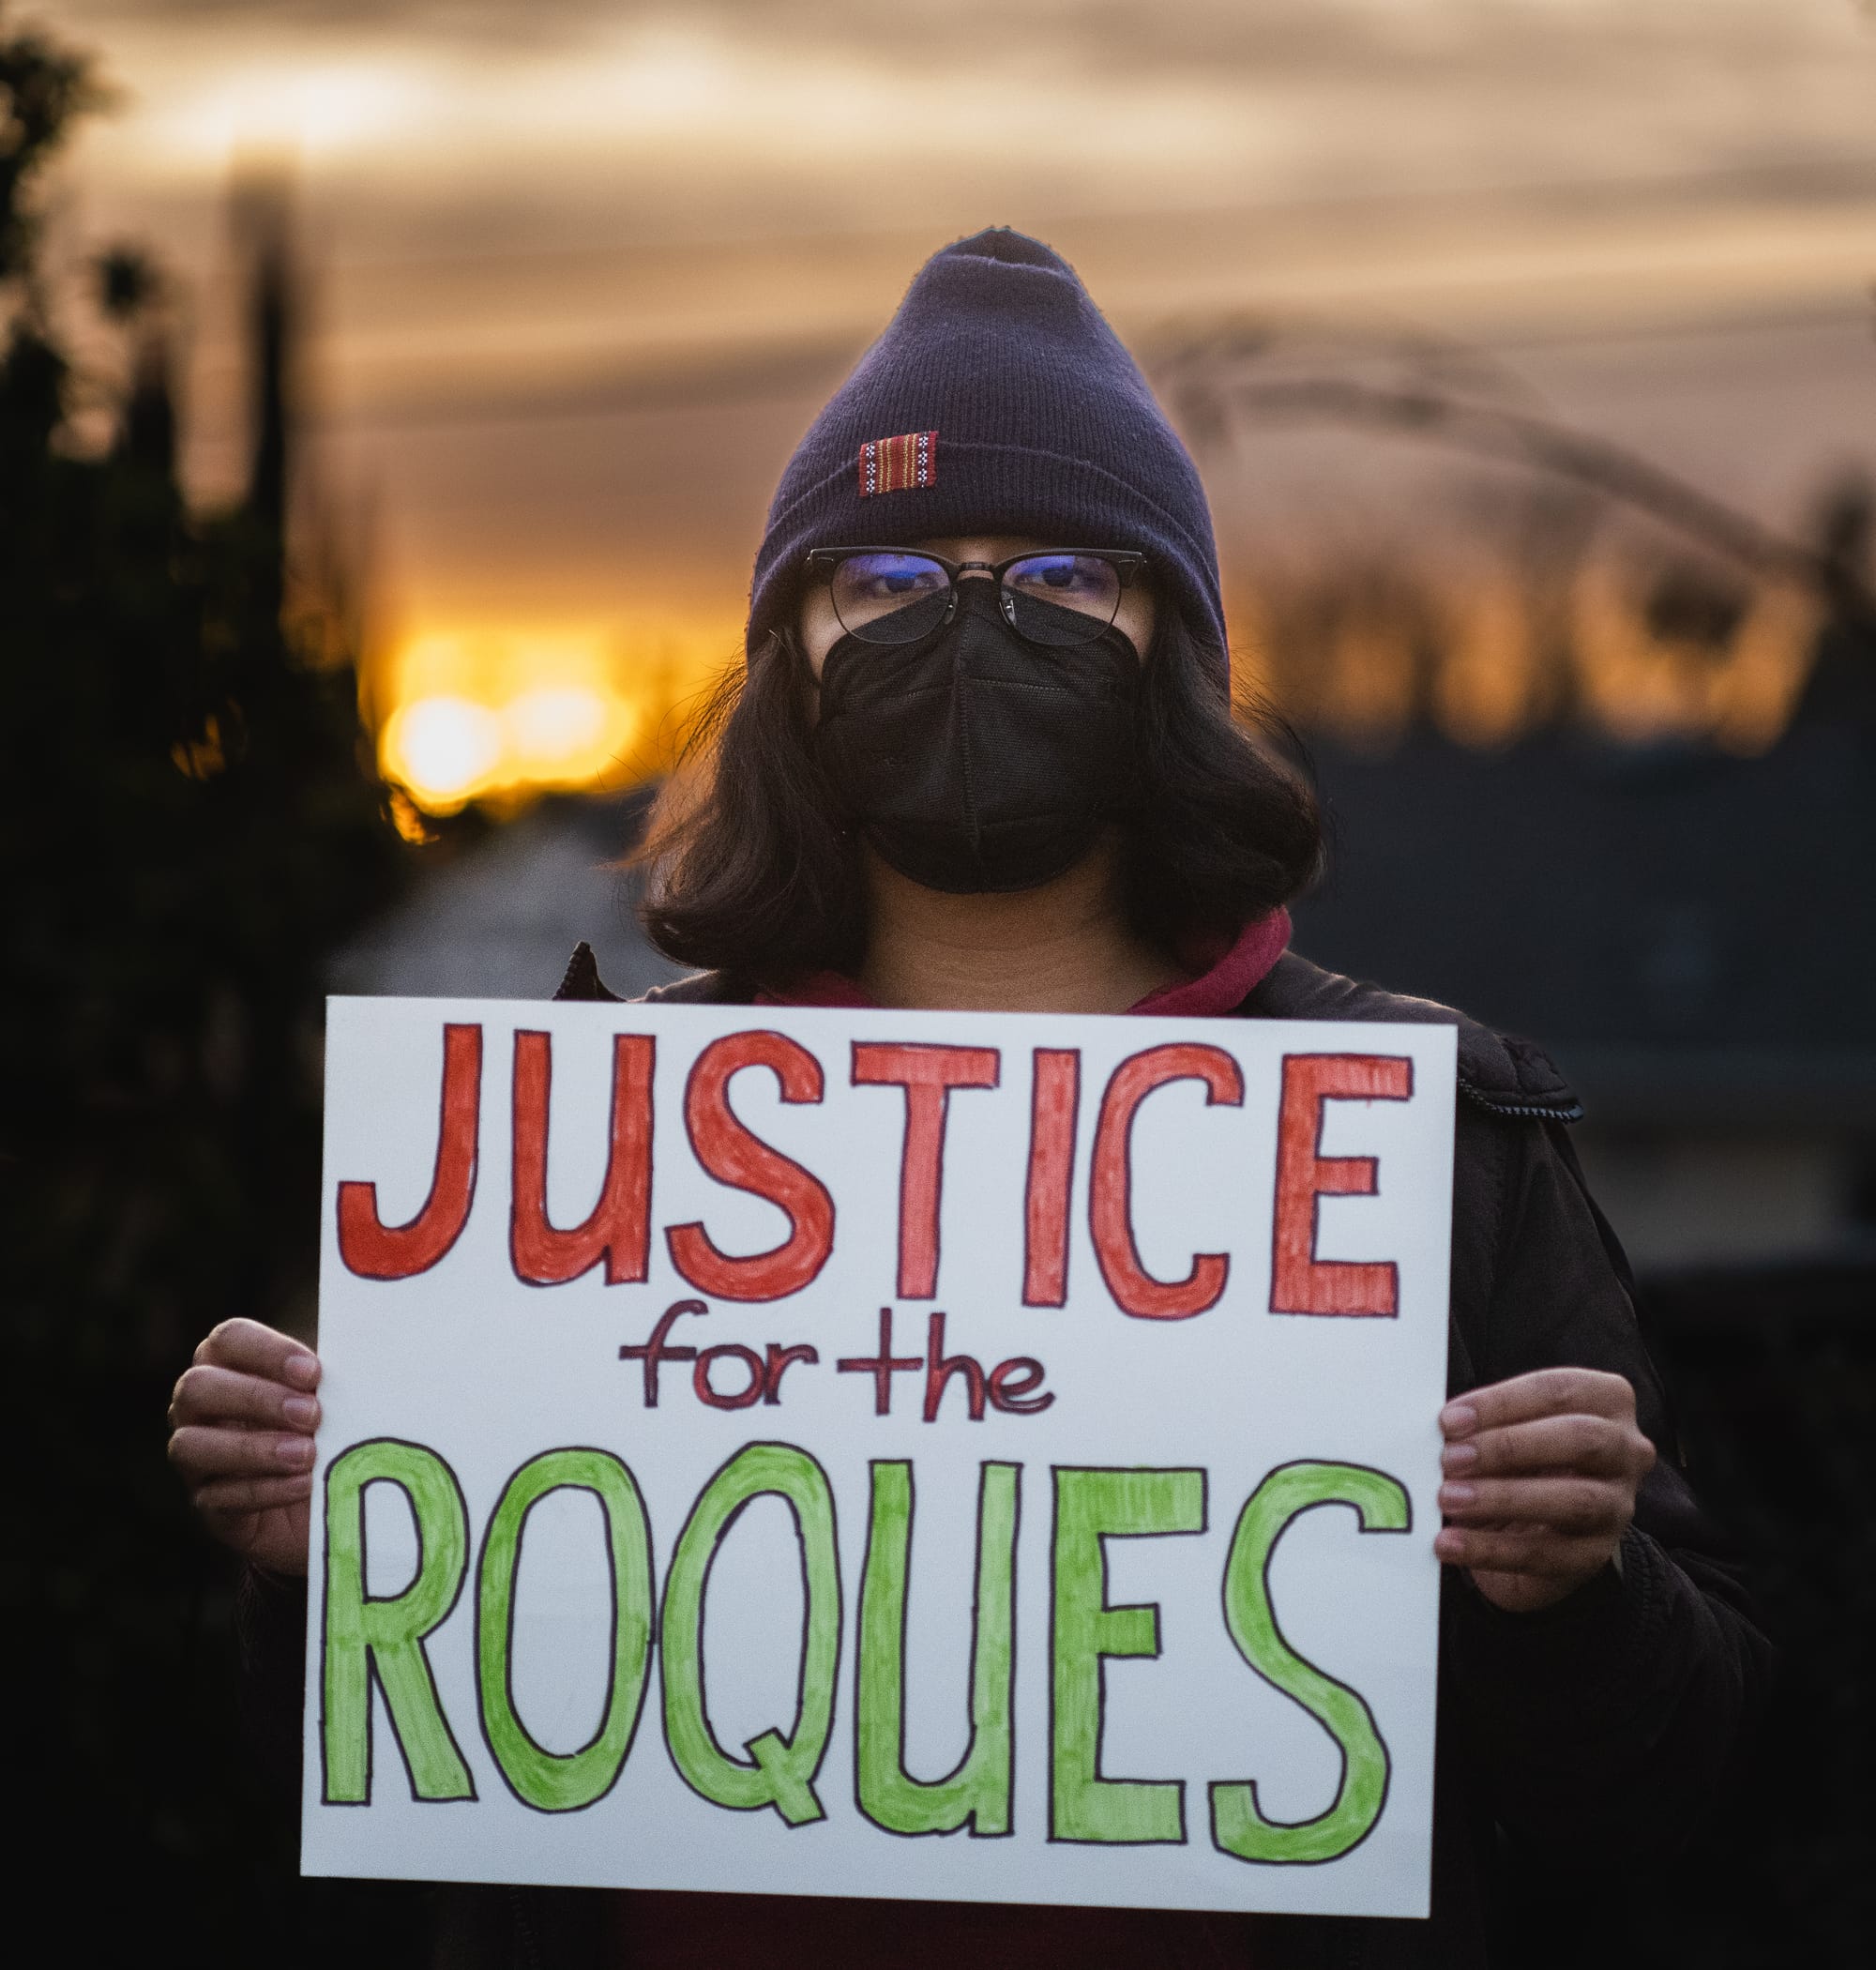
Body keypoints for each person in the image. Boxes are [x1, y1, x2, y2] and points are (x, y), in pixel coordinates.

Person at [168, 228, 1767, 1969]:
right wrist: (315, 1558)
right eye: (891, 585)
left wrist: (1574, 1587)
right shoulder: (585, 1159)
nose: (980, 626)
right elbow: (347, 1801)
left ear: (1178, 647)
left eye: (1070, 574)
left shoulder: (1425, 1140)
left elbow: (1684, 1790)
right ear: (790, 659)